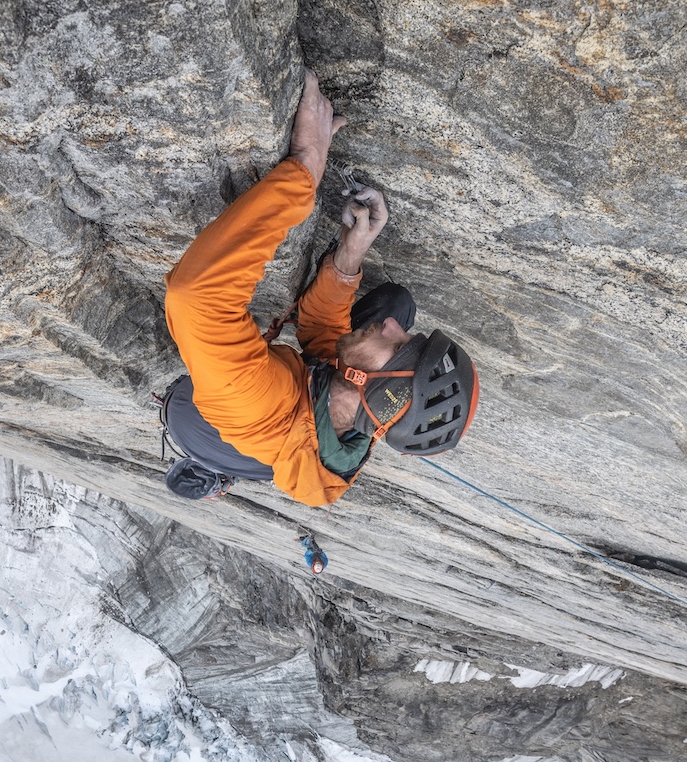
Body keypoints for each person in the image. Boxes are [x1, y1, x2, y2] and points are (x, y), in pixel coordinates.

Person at [161, 72, 478, 505]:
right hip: (278, 428)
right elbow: (323, 338)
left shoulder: (263, 406)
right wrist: (349, 256)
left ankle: (208, 457)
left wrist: (305, 169)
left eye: (398, 345)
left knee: (210, 379)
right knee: (397, 301)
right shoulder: (357, 410)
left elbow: (197, 297)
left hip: (195, 415)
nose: (389, 326)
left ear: (376, 390)